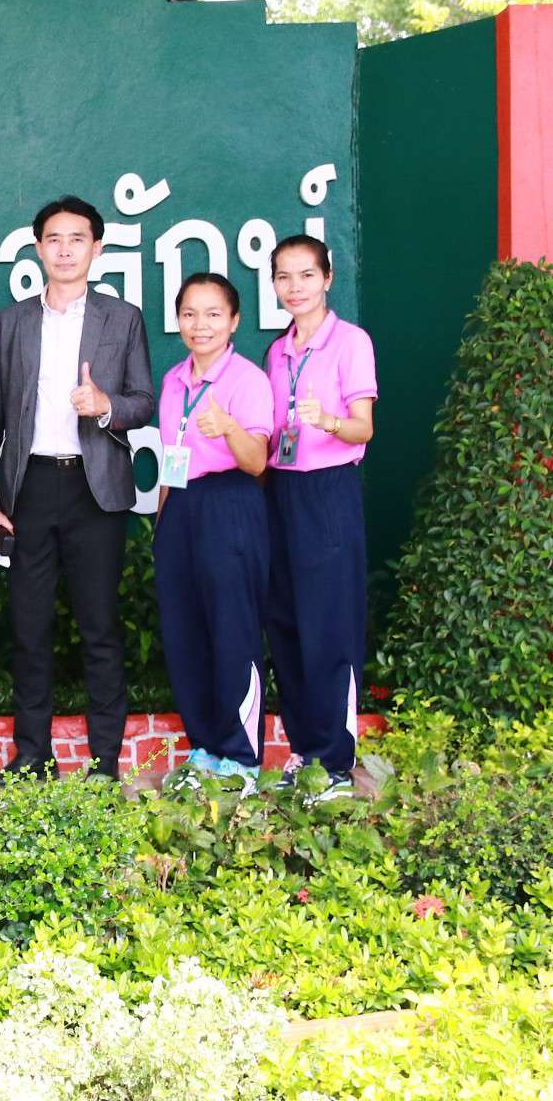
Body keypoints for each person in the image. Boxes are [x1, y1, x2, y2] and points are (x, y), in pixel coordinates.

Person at [0, 195, 154, 788]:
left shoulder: (122, 318)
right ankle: (33, 758)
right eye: (54, 238)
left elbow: (143, 403)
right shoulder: (13, 322)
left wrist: (104, 406)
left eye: (78, 239)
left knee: (99, 627)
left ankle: (104, 762)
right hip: (28, 487)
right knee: (29, 628)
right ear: (38, 248)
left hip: (94, 489)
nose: (66, 249)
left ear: (96, 248)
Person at [263, 234, 376, 797]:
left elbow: (363, 428)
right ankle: (304, 751)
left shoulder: (350, 342)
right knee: (287, 624)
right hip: (280, 491)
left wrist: (327, 421)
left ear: (327, 278)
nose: (295, 287)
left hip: (329, 491)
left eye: (306, 275)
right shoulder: (276, 351)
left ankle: (335, 760)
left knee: (329, 625)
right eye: (284, 276)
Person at [153, 272, 274, 791]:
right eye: (189, 314)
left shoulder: (248, 379)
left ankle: (242, 757)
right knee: (186, 632)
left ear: (234, 321)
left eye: (212, 314)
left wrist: (228, 428)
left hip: (230, 503)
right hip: (181, 506)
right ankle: (204, 749)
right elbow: (170, 459)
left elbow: (257, 462)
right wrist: (161, 526)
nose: (199, 325)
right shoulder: (173, 380)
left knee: (232, 629)